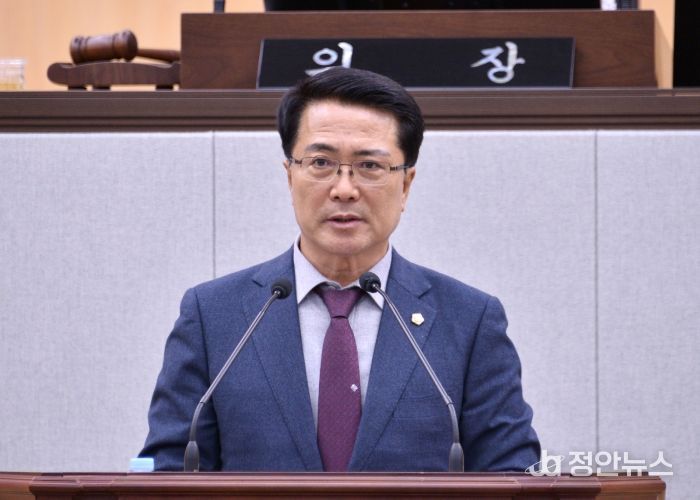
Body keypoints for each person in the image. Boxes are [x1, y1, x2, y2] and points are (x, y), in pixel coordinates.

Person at [140, 67, 540, 472]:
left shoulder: (469, 321)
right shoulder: (213, 315)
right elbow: (169, 471)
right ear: (290, 176)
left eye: (369, 166)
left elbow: (512, 473)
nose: (344, 189)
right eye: (321, 162)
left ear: (405, 185)